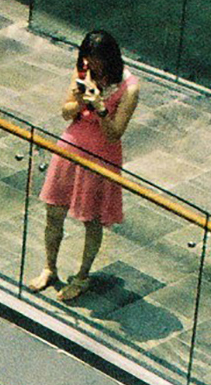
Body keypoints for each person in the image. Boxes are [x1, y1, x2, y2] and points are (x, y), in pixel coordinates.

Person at [27, 31, 137, 304]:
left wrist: (100, 108)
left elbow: (114, 134)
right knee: (54, 210)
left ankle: (82, 276)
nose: (92, 66)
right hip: (71, 148)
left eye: (97, 61)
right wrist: (77, 100)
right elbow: (65, 113)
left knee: (92, 219)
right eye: (88, 60)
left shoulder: (129, 88)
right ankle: (49, 267)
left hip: (101, 155)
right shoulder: (83, 71)